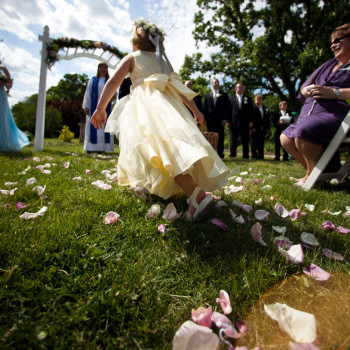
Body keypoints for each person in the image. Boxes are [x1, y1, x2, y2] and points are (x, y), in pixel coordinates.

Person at [91, 19, 229, 221]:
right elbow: (178, 89)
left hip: (145, 109)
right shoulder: (162, 63)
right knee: (164, 149)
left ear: (135, 43)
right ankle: (150, 187)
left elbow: (114, 81)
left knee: (158, 150)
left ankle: (196, 195)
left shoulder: (132, 58)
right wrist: (196, 111)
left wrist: (101, 107)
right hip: (168, 107)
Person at [281, 23, 350, 187]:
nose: (333, 45)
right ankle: (318, 174)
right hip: (310, 113)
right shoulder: (328, 64)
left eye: (337, 40)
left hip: (337, 115)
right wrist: (308, 91)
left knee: (304, 133)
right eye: (331, 42)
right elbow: (304, 87)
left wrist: (335, 93)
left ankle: (311, 176)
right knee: (285, 139)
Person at [82, 63, 114, 153]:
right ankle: (91, 148)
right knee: (92, 125)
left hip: (106, 108)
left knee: (104, 127)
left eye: (105, 67)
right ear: (98, 69)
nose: (103, 69)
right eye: (101, 67)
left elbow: (114, 94)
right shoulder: (92, 80)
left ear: (107, 69)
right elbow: (87, 94)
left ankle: (103, 148)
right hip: (93, 108)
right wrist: (86, 106)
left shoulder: (109, 80)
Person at [0, 65, 30, 151]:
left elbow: (9, 85)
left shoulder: (3, 69)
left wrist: (4, 83)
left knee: (3, 118)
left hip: (1, 96)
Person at [203, 78, 229, 158]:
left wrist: (225, 119)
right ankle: (211, 154)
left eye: (217, 82)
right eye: (214, 82)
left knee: (220, 137)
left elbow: (226, 108)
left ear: (219, 84)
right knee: (210, 137)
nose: (216, 84)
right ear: (212, 84)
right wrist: (204, 119)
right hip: (210, 120)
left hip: (220, 120)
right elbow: (205, 108)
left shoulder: (224, 95)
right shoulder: (207, 95)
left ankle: (220, 154)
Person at [227, 83, 254, 159]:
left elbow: (251, 111)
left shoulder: (248, 99)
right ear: (236, 89)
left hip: (245, 123)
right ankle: (232, 154)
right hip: (233, 122)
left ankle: (245, 155)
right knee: (233, 139)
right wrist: (228, 121)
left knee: (245, 140)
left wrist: (251, 121)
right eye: (239, 88)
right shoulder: (231, 99)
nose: (241, 89)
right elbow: (228, 111)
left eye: (242, 88)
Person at [250, 94, 271, 159]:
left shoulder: (265, 109)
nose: (258, 101)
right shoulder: (252, 108)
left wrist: (268, 127)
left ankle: (261, 155)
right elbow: (251, 118)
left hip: (262, 128)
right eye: (257, 100)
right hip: (255, 128)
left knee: (261, 142)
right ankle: (254, 155)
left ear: (262, 100)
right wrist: (252, 127)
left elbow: (267, 119)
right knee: (253, 142)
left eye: (259, 100)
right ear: (254, 101)